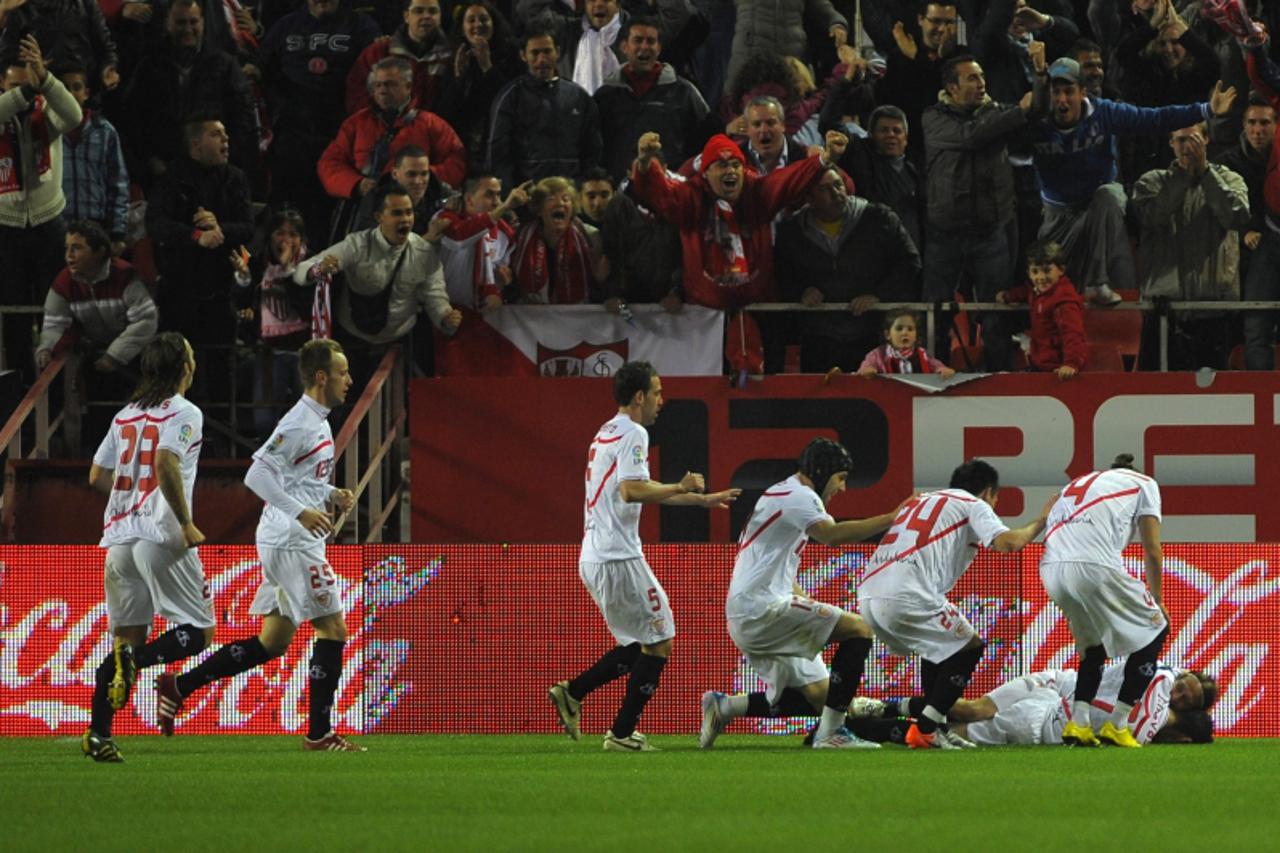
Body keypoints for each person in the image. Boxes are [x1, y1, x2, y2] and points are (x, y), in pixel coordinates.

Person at [156, 338, 363, 751]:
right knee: (334, 629)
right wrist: (301, 512)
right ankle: (319, 734)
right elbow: (258, 476)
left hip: (288, 537)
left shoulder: (318, 421)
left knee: (273, 642)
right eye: (342, 373)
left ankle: (180, 685)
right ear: (321, 377)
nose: (349, 380)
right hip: (291, 541)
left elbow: (294, 478)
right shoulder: (298, 423)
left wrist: (328, 493)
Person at [547, 361, 739, 751]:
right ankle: (620, 733)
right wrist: (679, 485)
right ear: (639, 397)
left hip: (597, 555)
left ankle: (574, 692)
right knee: (661, 639)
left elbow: (637, 485)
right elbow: (631, 492)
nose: (661, 401)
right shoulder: (634, 432)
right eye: (657, 392)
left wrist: (698, 500)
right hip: (617, 557)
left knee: (642, 643)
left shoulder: (607, 431)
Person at [699, 438, 902, 750]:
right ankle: (830, 736)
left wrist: (807, 602)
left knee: (827, 698)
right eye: (841, 478)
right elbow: (832, 536)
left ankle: (725, 707)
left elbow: (776, 568)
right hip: (761, 609)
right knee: (859, 630)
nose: (843, 488)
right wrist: (893, 518)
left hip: (752, 608)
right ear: (822, 473)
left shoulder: (783, 494)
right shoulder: (800, 496)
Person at [81, 332, 215, 762]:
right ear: (184, 368)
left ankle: (99, 733)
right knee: (199, 632)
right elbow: (164, 460)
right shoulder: (185, 412)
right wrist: (185, 522)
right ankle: (138, 659)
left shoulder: (124, 416)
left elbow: (96, 475)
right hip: (160, 537)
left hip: (119, 541)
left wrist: (129, 505)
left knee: (125, 637)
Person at [858, 459, 1051, 749]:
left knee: (938, 649)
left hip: (868, 594)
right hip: (907, 593)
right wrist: (1042, 521)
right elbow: (1008, 544)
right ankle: (925, 728)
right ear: (987, 492)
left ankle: (937, 726)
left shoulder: (921, 500)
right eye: (995, 499)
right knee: (970, 646)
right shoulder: (973, 504)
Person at [1027, 58, 1236, 307]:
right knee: (1048, 293)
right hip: (1058, 215)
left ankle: (1099, 282)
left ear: (1083, 92)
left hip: (1099, 210)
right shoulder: (1035, 122)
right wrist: (1024, 109)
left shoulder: (1103, 112)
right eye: (1056, 92)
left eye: (1069, 91)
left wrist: (1205, 111)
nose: (1062, 100)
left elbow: (1154, 119)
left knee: (1110, 195)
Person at [1037, 453, 1168, 747]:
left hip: (1050, 570)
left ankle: (1079, 722)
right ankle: (1119, 724)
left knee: (1093, 647)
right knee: (1157, 629)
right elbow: (1152, 549)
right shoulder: (1145, 483)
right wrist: (1157, 599)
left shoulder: (1077, 483)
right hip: (1094, 567)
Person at [921, 53, 1038, 372]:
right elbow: (969, 136)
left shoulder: (998, 114)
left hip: (990, 232)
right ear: (951, 87)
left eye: (982, 77)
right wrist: (1016, 111)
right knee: (935, 313)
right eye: (972, 78)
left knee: (995, 313)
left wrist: (1040, 75)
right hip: (944, 234)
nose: (981, 83)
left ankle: (997, 379)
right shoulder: (933, 119)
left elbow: (1035, 116)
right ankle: (933, 378)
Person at [295, 182, 462, 380]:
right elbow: (301, 271)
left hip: (400, 344)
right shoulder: (356, 244)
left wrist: (445, 316)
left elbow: (435, 296)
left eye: (409, 213)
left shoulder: (424, 252)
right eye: (397, 213)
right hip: (353, 342)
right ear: (378, 217)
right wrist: (319, 270)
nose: (405, 219)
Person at [775, 167, 922, 373]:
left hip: (871, 330)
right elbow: (782, 273)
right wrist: (801, 291)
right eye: (825, 189)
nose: (836, 193)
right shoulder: (791, 230)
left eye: (838, 185)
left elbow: (909, 263)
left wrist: (878, 295)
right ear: (808, 197)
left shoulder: (879, 217)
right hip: (819, 335)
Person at [1131, 121, 1250, 370]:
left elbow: (1236, 217)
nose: (1187, 147)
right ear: (1171, 143)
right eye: (1181, 140)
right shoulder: (1151, 181)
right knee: (1154, 397)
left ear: (1206, 140)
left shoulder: (1230, 179)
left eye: (1193, 140)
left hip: (1212, 309)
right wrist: (1183, 176)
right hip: (1163, 310)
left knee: (1213, 400)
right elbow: (1151, 218)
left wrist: (1206, 173)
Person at [0, 36, 82, 380]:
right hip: (6, 227)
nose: (25, 91)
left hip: (49, 223)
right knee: (14, 320)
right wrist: (21, 94)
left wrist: (46, 82)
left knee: (55, 316)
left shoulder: (46, 113)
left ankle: (59, 393)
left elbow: (74, 114)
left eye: (28, 84)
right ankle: (20, 402)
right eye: (15, 85)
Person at [119, 0, 257, 184]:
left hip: (217, 176)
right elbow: (133, 121)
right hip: (164, 175)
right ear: (167, 22)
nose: (188, 29)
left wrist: (225, 159)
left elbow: (243, 119)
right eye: (181, 22)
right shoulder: (149, 68)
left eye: (193, 22)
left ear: (203, 22)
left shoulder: (225, 66)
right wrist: (149, 161)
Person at [942, 661, 1217, 746]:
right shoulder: (1159, 673)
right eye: (1181, 689)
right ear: (1182, 675)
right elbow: (1164, 678)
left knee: (959, 733)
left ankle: (915, 725)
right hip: (1055, 684)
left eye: (1184, 701)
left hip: (1053, 714)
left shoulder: (1155, 711)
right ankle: (905, 707)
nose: (1176, 696)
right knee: (974, 710)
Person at [593, 15, 710, 182]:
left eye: (651, 41)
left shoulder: (685, 92)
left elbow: (706, 140)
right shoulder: (604, 96)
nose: (644, 47)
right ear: (624, 46)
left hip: (670, 191)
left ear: (659, 47)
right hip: (619, 191)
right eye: (638, 40)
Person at [486, 28, 603, 189]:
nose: (542, 59)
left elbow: (593, 151)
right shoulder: (510, 97)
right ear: (523, 55)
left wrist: (582, 188)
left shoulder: (579, 97)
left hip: (571, 195)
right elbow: (498, 154)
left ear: (558, 52)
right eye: (535, 53)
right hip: (528, 197)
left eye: (547, 51)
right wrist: (509, 195)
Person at [58, 66, 129, 255]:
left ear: (86, 93)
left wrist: (117, 233)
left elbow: (118, 184)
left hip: (95, 226)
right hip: (56, 228)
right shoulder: (46, 129)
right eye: (64, 88)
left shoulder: (105, 131)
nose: (70, 93)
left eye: (76, 87)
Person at [996, 240, 1088, 379]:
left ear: (1061, 270)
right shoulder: (1039, 291)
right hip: (1041, 364)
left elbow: (1073, 334)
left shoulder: (1064, 301)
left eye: (1047, 271)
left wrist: (1071, 364)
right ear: (1028, 273)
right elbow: (1029, 292)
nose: (1041, 277)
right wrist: (1010, 295)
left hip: (1058, 370)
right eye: (1035, 271)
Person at [344, 0, 452, 115]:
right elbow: (356, 95)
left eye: (433, 11)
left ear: (440, 16)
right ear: (406, 16)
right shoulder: (380, 52)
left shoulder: (452, 56)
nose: (426, 16)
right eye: (418, 11)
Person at [510, 176, 607, 304]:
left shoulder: (590, 236)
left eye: (565, 199)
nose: (560, 203)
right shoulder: (522, 237)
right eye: (551, 199)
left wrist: (599, 280)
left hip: (575, 316)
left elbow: (597, 289)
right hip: (533, 316)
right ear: (539, 210)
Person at [856, 310, 954, 378]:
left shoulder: (922, 354)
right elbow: (864, 369)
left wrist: (943, 370)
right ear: (887, 334)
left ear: (916, 335)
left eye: (910, 329)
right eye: (899, 329)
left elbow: (937, 366)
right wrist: (868, 370)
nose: (905, 333)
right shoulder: (877, 355)